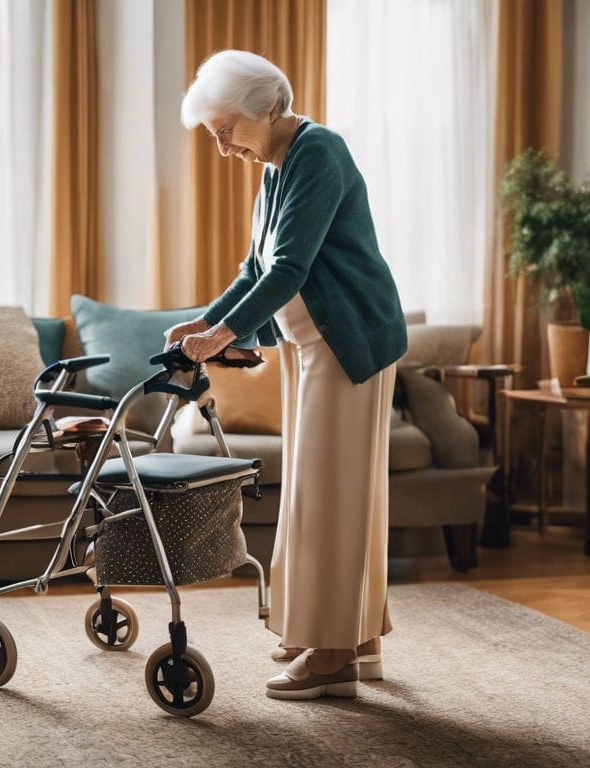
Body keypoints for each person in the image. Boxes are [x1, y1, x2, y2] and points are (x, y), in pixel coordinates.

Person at [165, 49, 408, 701]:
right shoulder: (277, 167)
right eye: (214, 135)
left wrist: (222, 336)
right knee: (323, 489)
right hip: (310, 345)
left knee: (332, 494)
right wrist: (204, 323)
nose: (223, 149)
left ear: (267, 108)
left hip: (349, 341)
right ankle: (353, 637)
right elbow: (254, 270)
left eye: (226, 131)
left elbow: (289, 268)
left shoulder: (318, 152)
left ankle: (334, 656)